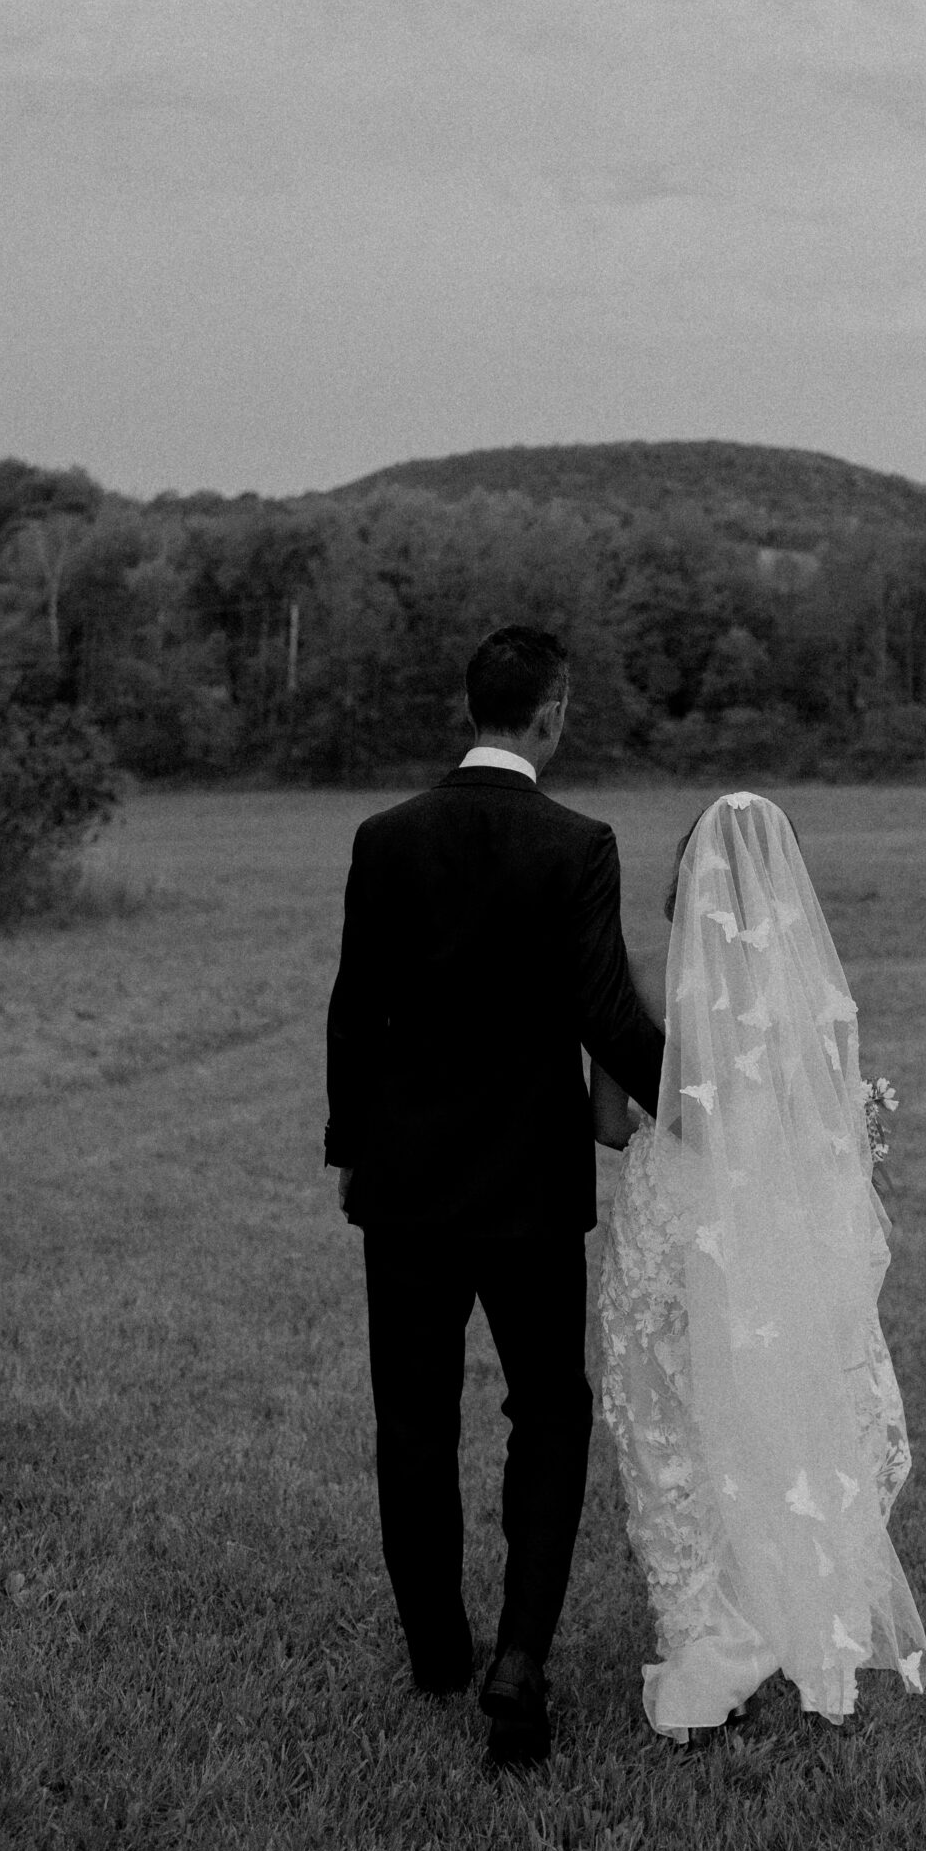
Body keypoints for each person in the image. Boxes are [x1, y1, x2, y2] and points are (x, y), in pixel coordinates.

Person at [324, 625, 665, 1765]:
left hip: (406, 1185)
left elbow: (352, 1006)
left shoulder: (386, 836)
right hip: (529, 1189)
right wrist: (711, 1109)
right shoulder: (578, 843)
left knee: (412, 1421)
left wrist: (351, 1150)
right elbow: (608, 1016)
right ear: (553, 713)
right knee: (548, 1414)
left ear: (471, 707)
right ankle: (519, 1658)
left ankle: (436, 1650)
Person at [594, 792, 926, 1739]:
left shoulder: (639, 978)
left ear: (686, 878)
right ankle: (771, 1617)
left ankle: (704, 1637)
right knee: (774, 1415)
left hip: (671, 1226)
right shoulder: (807, 995)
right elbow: (830, 1134)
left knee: (668, 1430)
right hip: (770, 1234)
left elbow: (606, 1123)